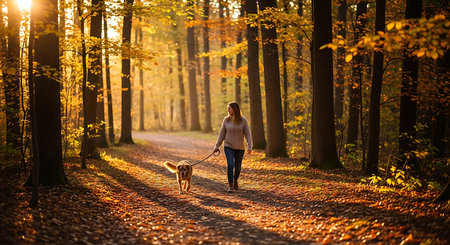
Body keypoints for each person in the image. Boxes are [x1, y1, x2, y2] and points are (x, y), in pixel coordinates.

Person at [214, 102, 252, 193]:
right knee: (230, 164)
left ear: (235, 109)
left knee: (238, 168)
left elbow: (248, 134)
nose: (228, 110)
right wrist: (217, 145)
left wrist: (249, 146)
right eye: (228, 108)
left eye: (229, 108)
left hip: (240, 147)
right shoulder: (226, 120)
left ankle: (235, 180)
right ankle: (230, 185)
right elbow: (222, 133)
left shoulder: (243, 120)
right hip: (228, 146)